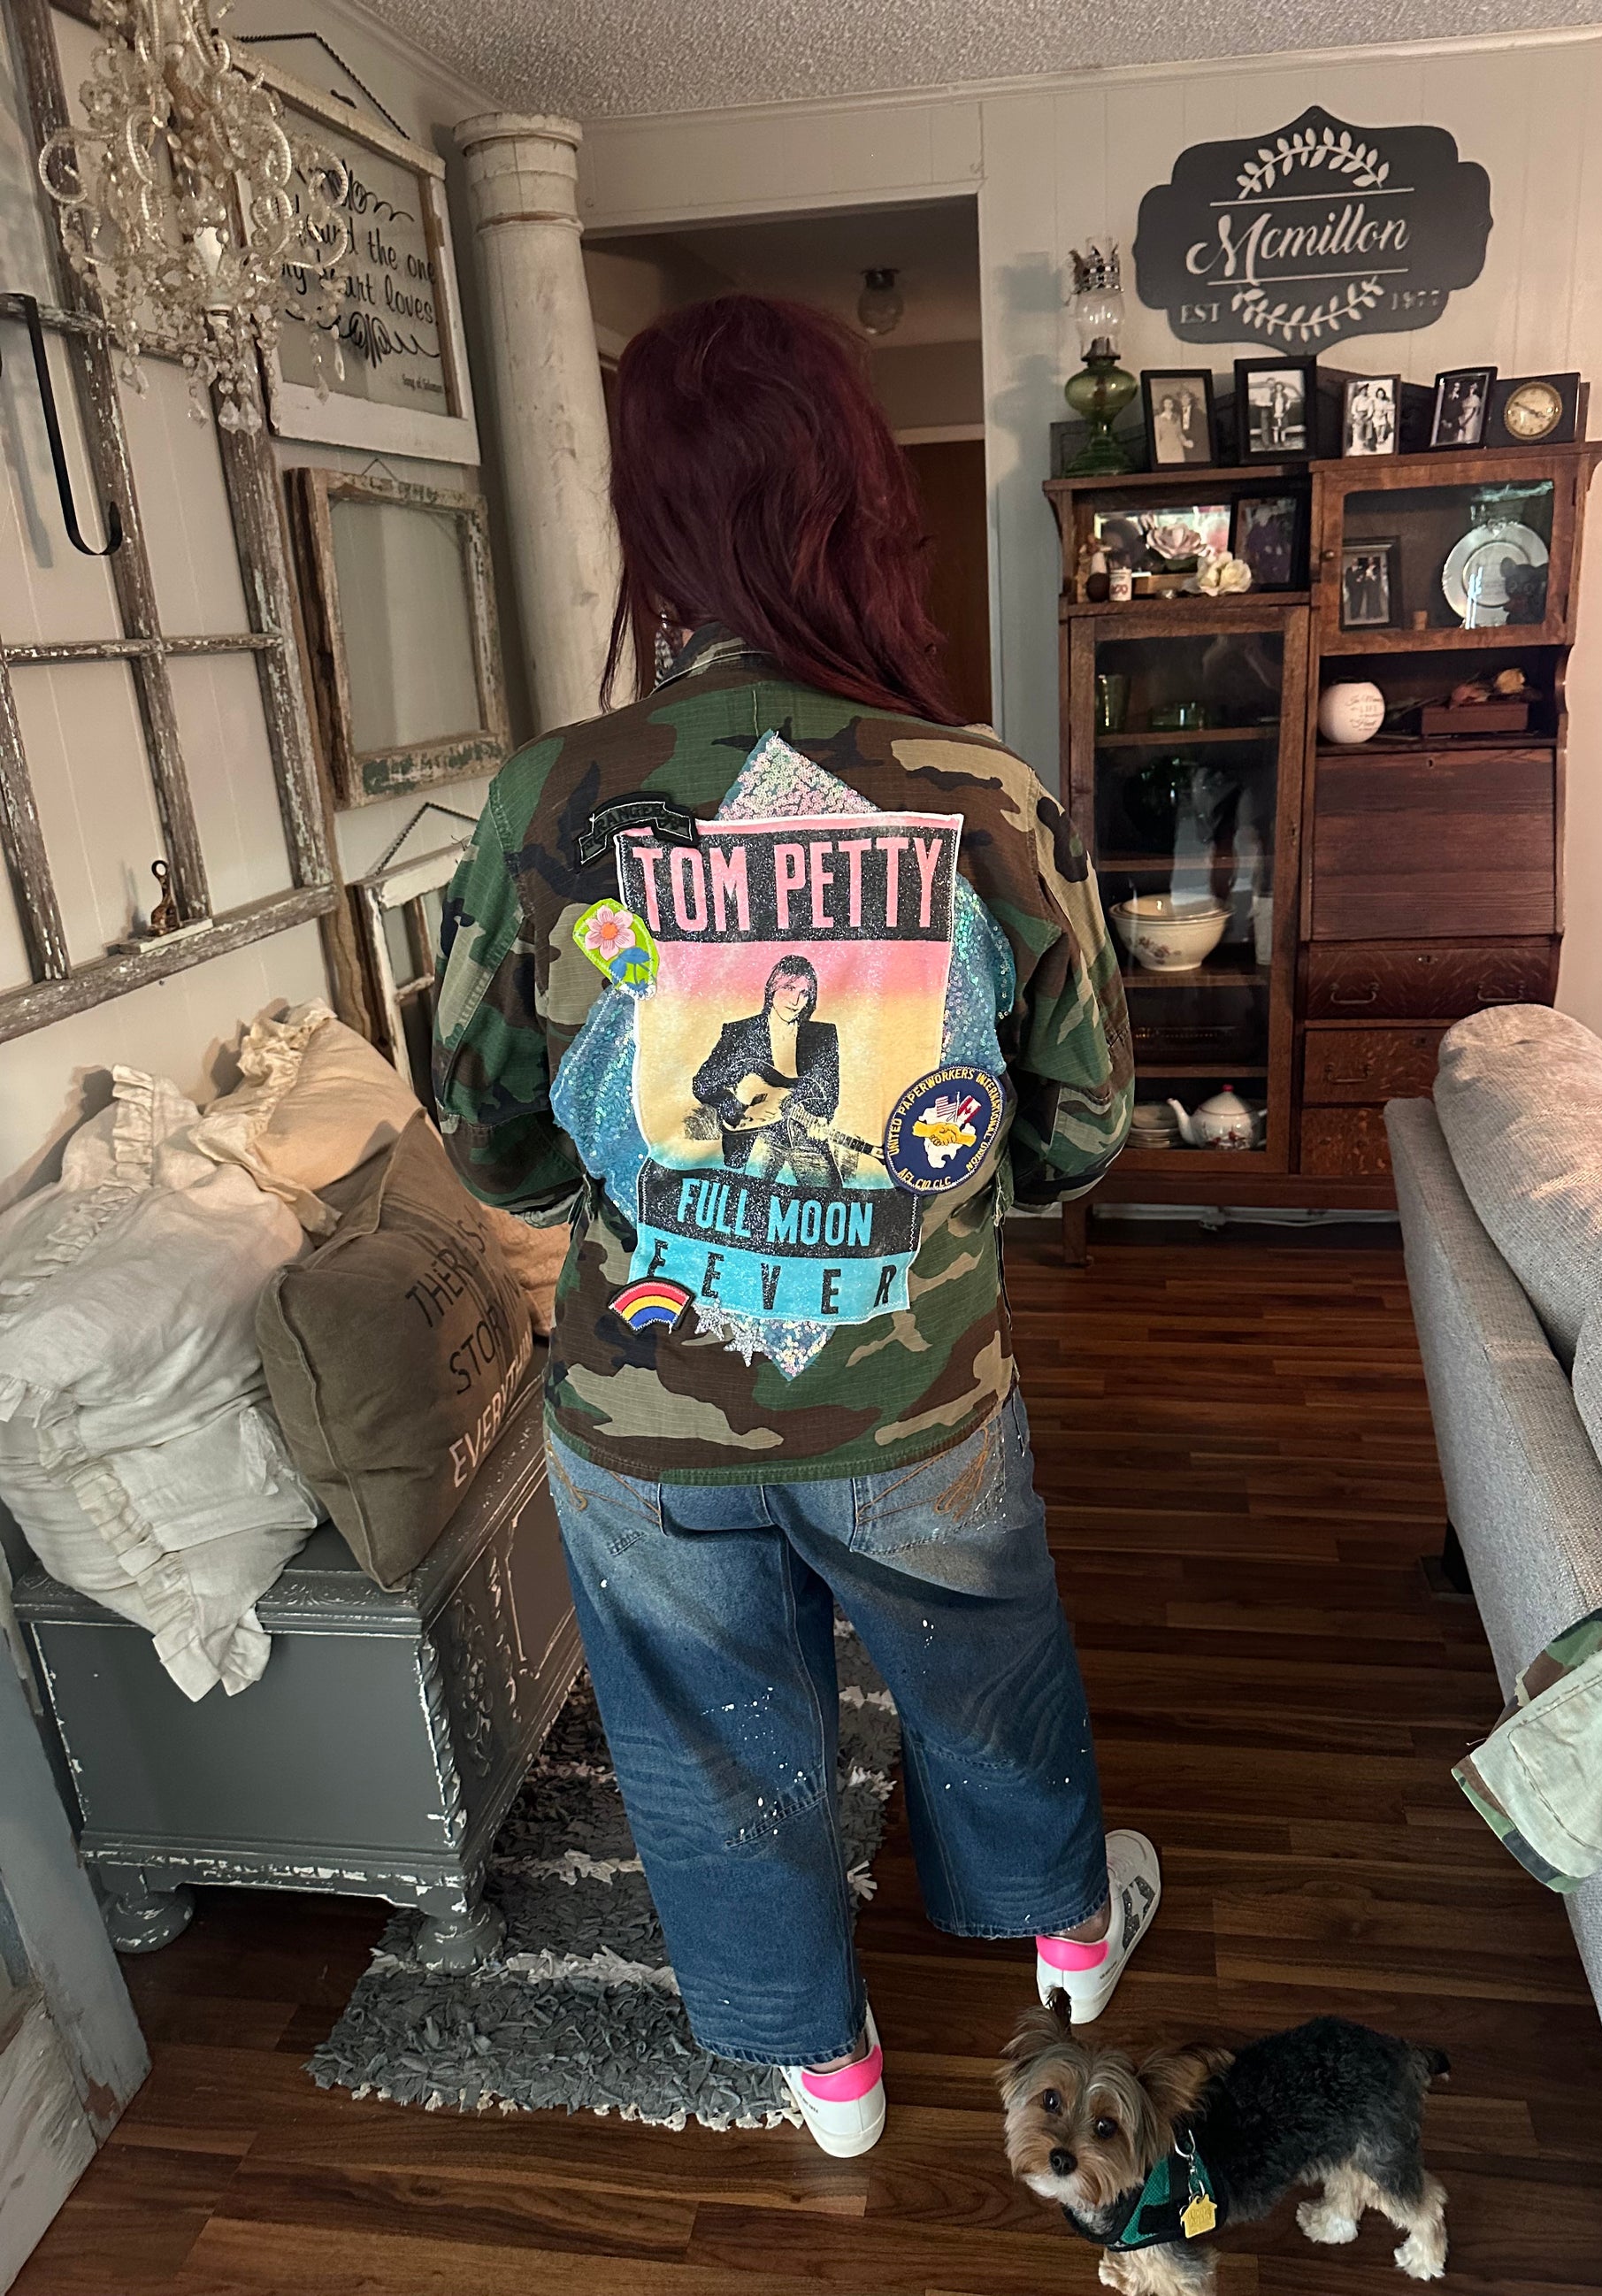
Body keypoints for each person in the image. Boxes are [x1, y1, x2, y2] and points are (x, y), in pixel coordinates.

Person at [433, 294, 1149, 2161]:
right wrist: (942, 1217)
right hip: (912, 1383)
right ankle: (1068, 1941)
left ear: (651, 523)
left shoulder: (551, 798)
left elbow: (489, 1134)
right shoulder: (981, 795)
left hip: (644, 1396)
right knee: (983, 1659)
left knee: (705, 1739)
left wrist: (620, 1189)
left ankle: (822, 2074)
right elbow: (1082, 1125)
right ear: (863, 506)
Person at [693, 954, 842, 1185]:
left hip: (803, 1133)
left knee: (828, 1198)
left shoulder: (823, 1036)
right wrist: (740, 1112)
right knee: (749, 1199)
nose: (796, 1000)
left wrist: (821, 1119)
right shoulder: (741, 1033)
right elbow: (703, 1083)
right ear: (772, 989)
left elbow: (829, 1093)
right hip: (755, 1135)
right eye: (789, 988)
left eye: (804, 993)